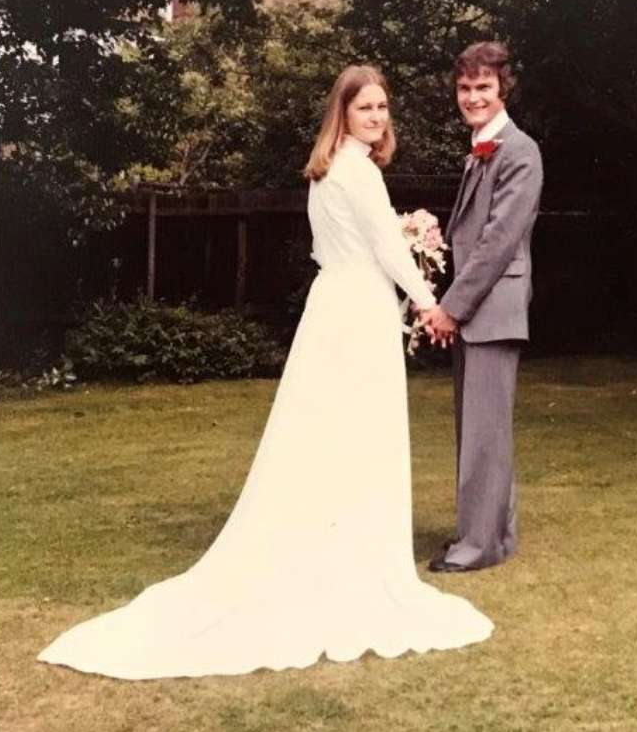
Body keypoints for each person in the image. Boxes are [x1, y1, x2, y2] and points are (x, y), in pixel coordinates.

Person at [37, 65, 493, 680]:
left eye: (383, 107)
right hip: (356, 310)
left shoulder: (329, 170)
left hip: (333, 304)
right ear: (343, 114)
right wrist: (427, 301)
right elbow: (386, 245)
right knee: (355, 436)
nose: (377, 117)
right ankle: (349, 564)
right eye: (365, 108)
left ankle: (333, 546)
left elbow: (334, 248)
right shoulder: (355, 171)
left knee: (327, 437)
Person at [422, 42, 544, 573]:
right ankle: (497, 533)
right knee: (484, 432)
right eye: (465, 89)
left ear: (503, 90)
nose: (473, 97)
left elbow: (497, 242)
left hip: (491, 311)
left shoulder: (519, 151)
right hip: (481, 311)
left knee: (483, 435)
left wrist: (451, 307)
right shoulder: (481, 147)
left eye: (483, 88)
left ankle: (475, 548)